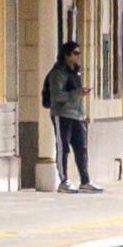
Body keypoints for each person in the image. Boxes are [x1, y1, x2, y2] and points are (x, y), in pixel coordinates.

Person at [42, 43, 94, 193]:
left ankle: (85, 180)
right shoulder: (58, 73)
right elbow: (57, 96)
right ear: (67, 55)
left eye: (79, 53)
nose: (78, 56)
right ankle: (63, 180)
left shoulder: (75, 73)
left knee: (81, 148)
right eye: (75, 53)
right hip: (62, 114)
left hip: (78, 115)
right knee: (63, 147)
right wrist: (76, 94)